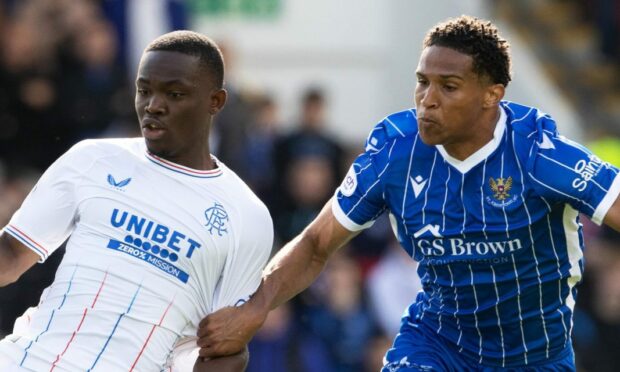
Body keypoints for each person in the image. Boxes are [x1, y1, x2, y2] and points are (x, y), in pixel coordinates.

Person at [196, 15, 620, 371]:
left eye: (448, 86)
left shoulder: (539, 153)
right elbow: (315, 243)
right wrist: (254, 309)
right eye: (422, 83)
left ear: (492, 94)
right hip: (436, 345)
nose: (426, 101)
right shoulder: (395, 153)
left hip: (534, 355)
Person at [0, 30, 273, 371]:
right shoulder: (91, 159)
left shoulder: (246, 216)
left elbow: (225, 351)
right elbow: (9, 255)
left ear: (215, 102)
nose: (153, 106)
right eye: (144, 90)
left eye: (174, 93)